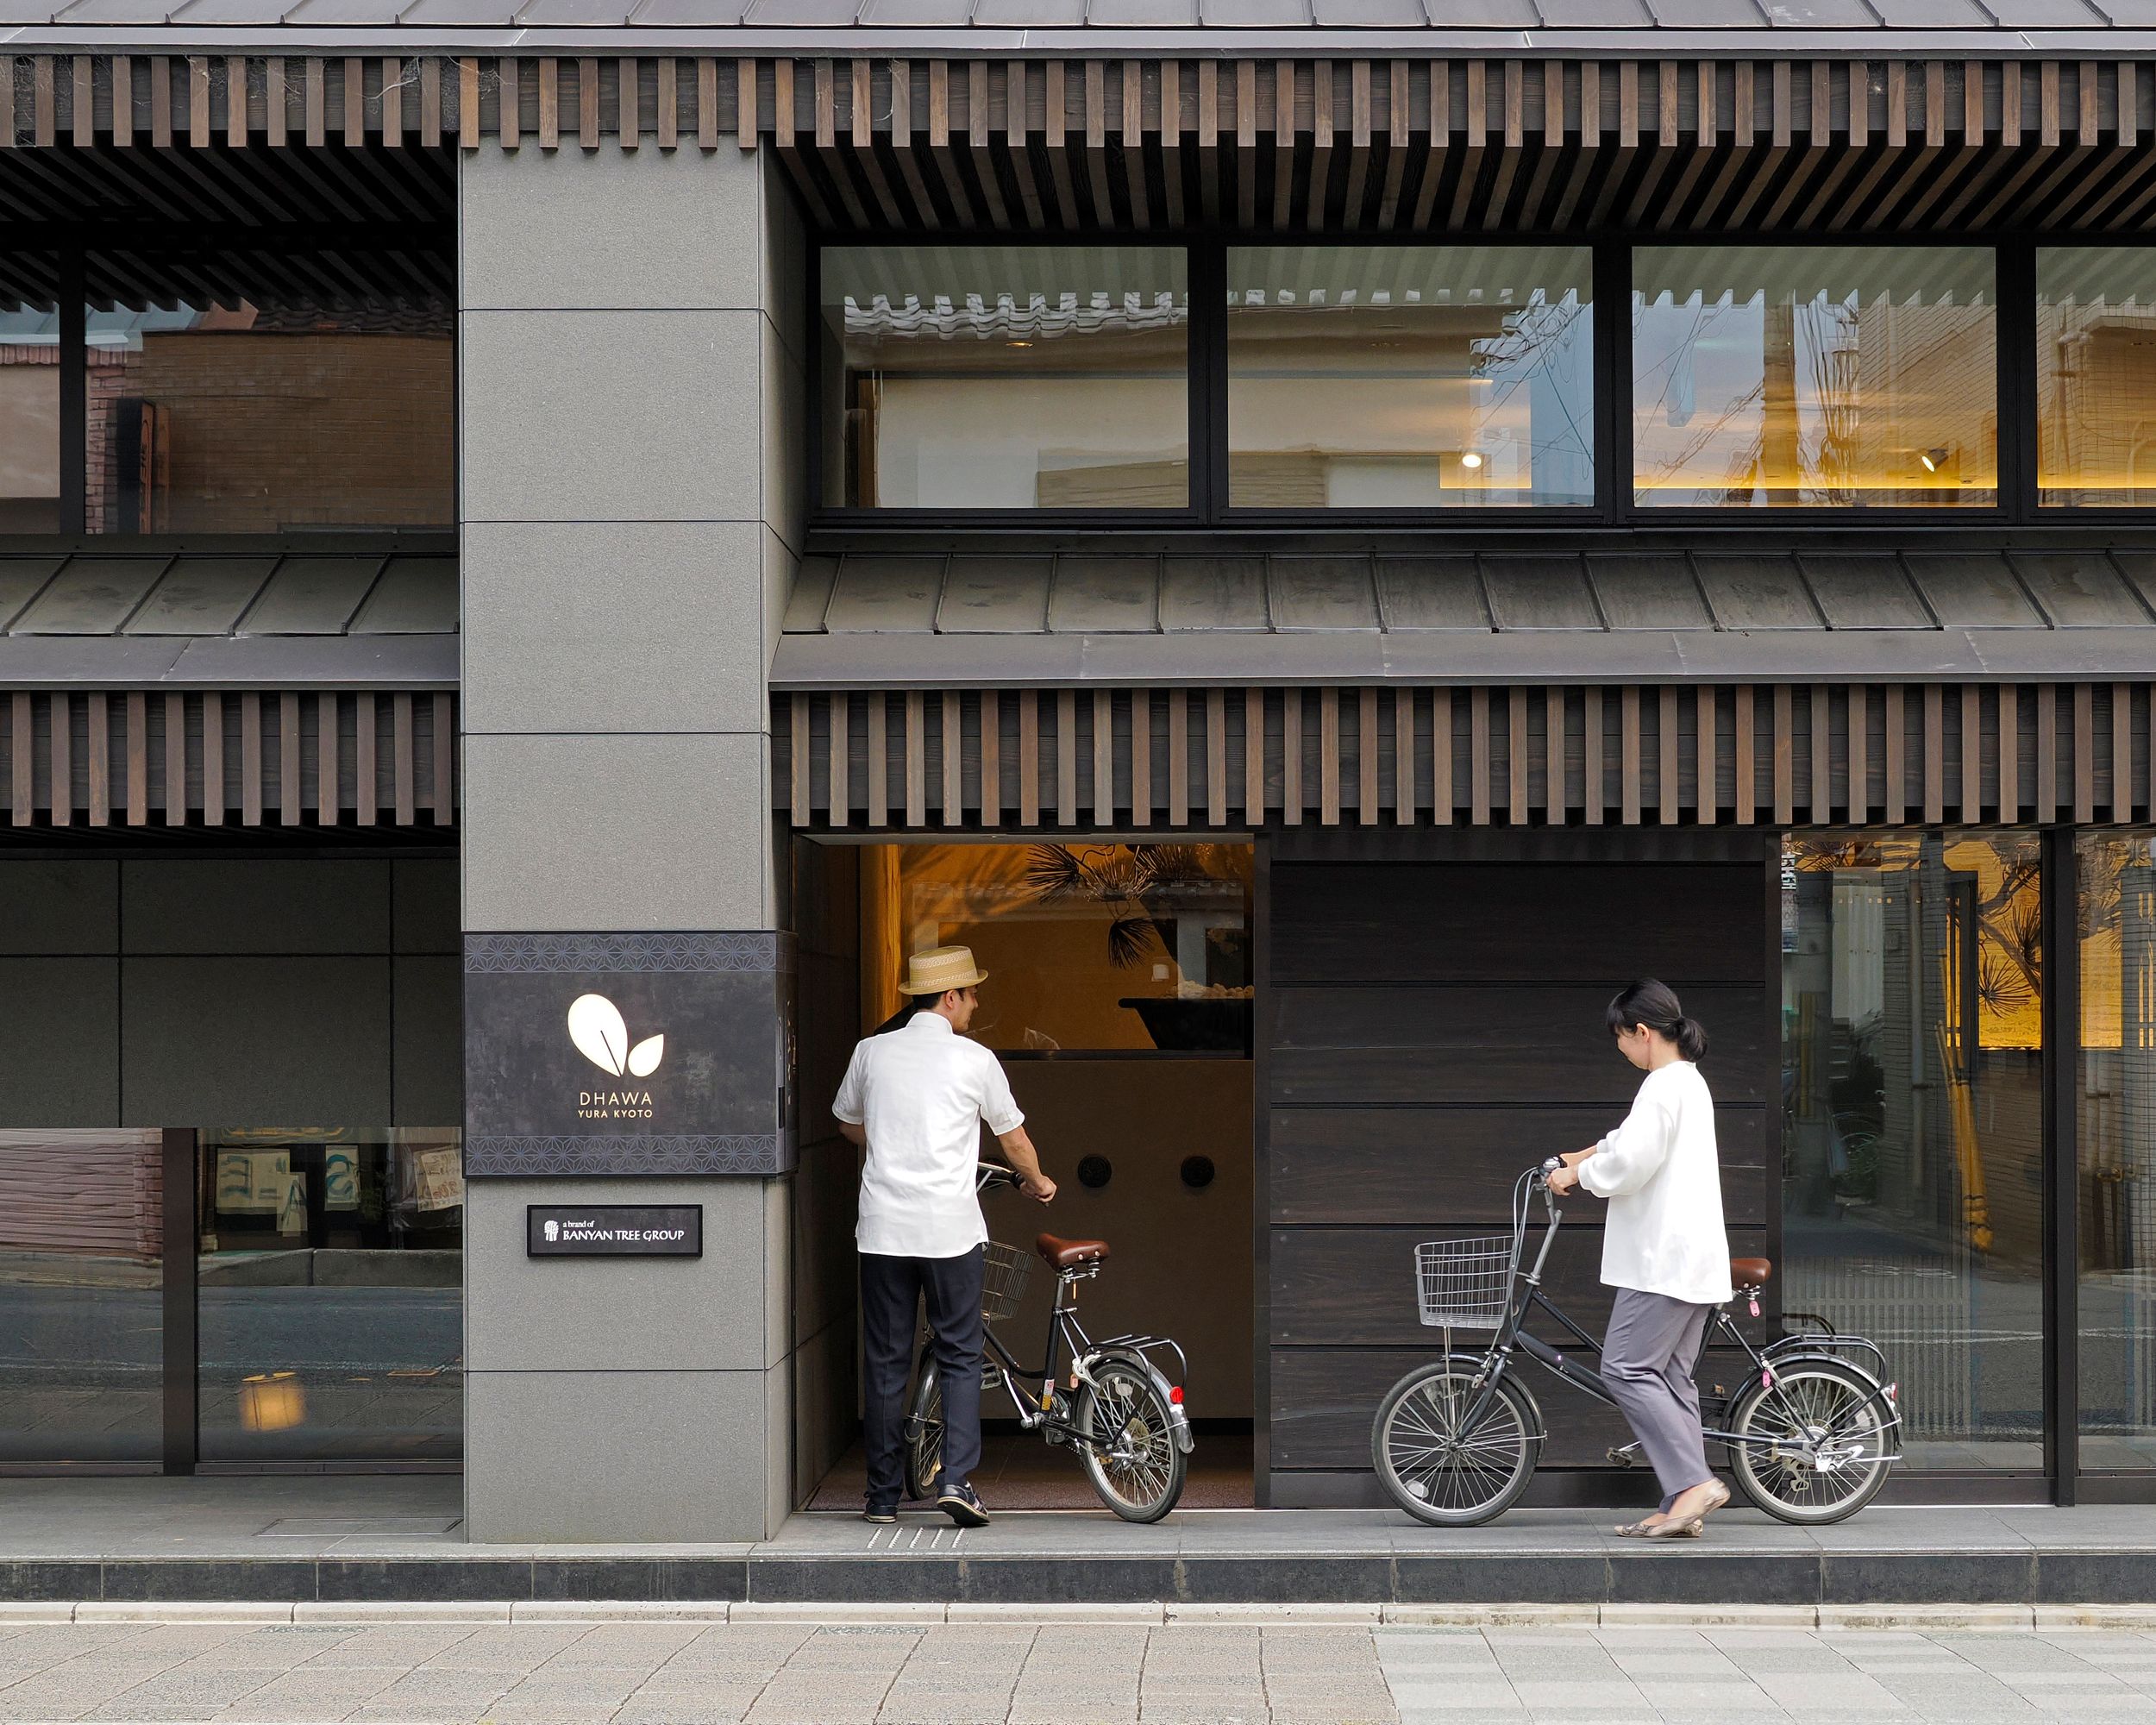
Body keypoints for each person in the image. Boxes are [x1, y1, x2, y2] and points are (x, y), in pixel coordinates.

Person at [832, 944, 1056, 1528]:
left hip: (883, 1232)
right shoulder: (975, 1059)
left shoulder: (871, 1052)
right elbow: (1013, 1140)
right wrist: (1038, 1183)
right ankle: (956, 1481)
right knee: (959, 1355)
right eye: (972, 994)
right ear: (950, 997)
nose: (976, 1004)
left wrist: (889, 1139)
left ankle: (882, 1498)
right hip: (950, 1234)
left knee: (886, 1362)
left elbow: (847, 1124)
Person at [1547, 979, 1734, 1540]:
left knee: (1626, 1367)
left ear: (1643, 1032)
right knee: (1671, 1378)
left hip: (1663, 1260)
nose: (1620, 1048)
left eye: (1621, 1038)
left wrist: (1577, 1174)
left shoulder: (1662, 1086)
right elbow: (1628, 1141)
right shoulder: (1687, 1082)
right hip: (1692, 1259)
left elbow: (1630, 1162)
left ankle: (1693, 1484)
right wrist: (1583, 1154)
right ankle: (1683, 1501)